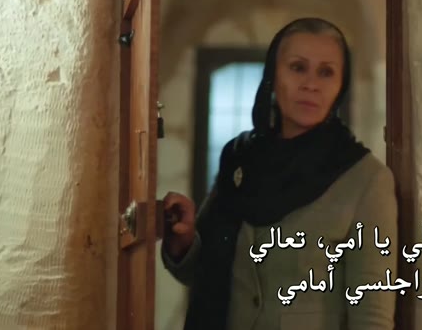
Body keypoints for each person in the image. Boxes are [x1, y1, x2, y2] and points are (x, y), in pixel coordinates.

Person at [161, 17, 399, 330]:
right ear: (273, 75)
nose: (311, 84)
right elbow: (200, 271)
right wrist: (182, 239)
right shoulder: (240, 159)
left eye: (326, 72)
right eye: (298, 67)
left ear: (341, 85)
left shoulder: (366, 180)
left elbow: (372, 317)